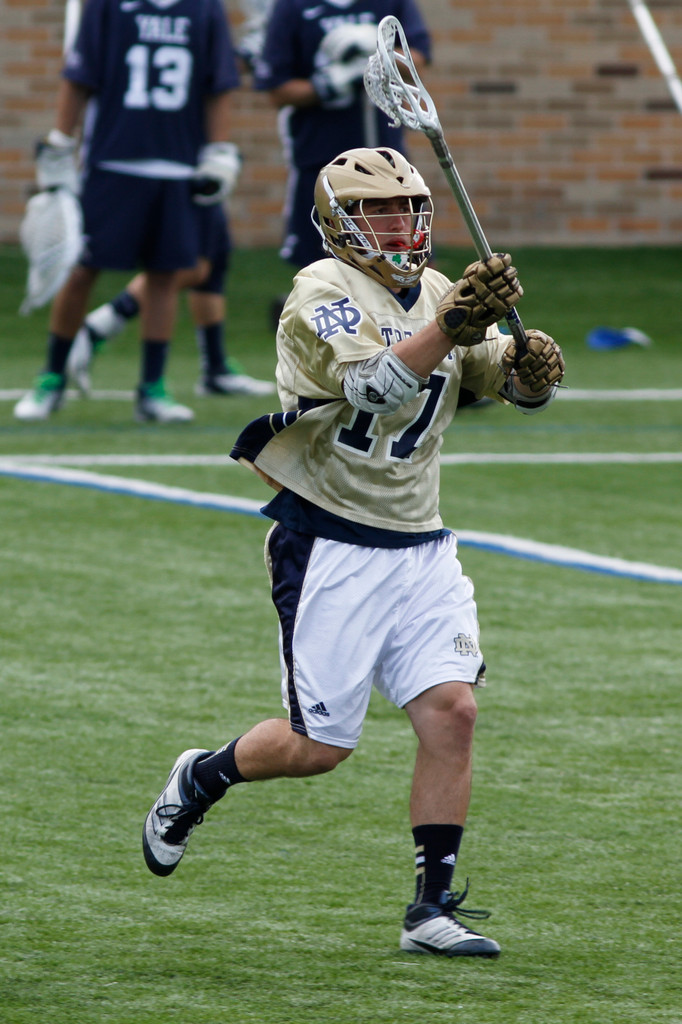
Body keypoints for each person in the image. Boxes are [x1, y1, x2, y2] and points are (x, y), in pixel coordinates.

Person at [142, 147, 565, 956]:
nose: (400, 224)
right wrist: (451, 327)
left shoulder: (441, 289)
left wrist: (532, 372)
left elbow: (499, 383)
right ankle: (201, 776)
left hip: (421, 542)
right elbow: (376, 385)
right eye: (378, 211)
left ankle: (430, 911)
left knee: (454, 712)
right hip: (331, 539)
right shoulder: (320, 292)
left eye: (409, 207)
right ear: (340, 222)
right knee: (319, 748)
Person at [14, 0, 242, 423]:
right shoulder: (108, 6)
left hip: (178, 164)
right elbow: (79, 76)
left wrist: (219, 149)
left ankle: (152, 388)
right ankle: (51, 377)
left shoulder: (204, 9)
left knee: (165, 275)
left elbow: (218, 84)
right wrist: (61, 142)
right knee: (81, 269)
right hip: (112, 160)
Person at [253, 0, 431, 272]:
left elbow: (418, 59)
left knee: (405, 259)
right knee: (320, 265)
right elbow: (277, 88)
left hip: (385, 159)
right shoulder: (292, 6)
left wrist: (379, 50)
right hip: (321, 155)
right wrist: (326, 85)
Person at [66, 202, 276, 399]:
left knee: (214, 259)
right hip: (188, 174)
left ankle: (216, 368)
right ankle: (98, 327)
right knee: (189, 267)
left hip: (210, 175)